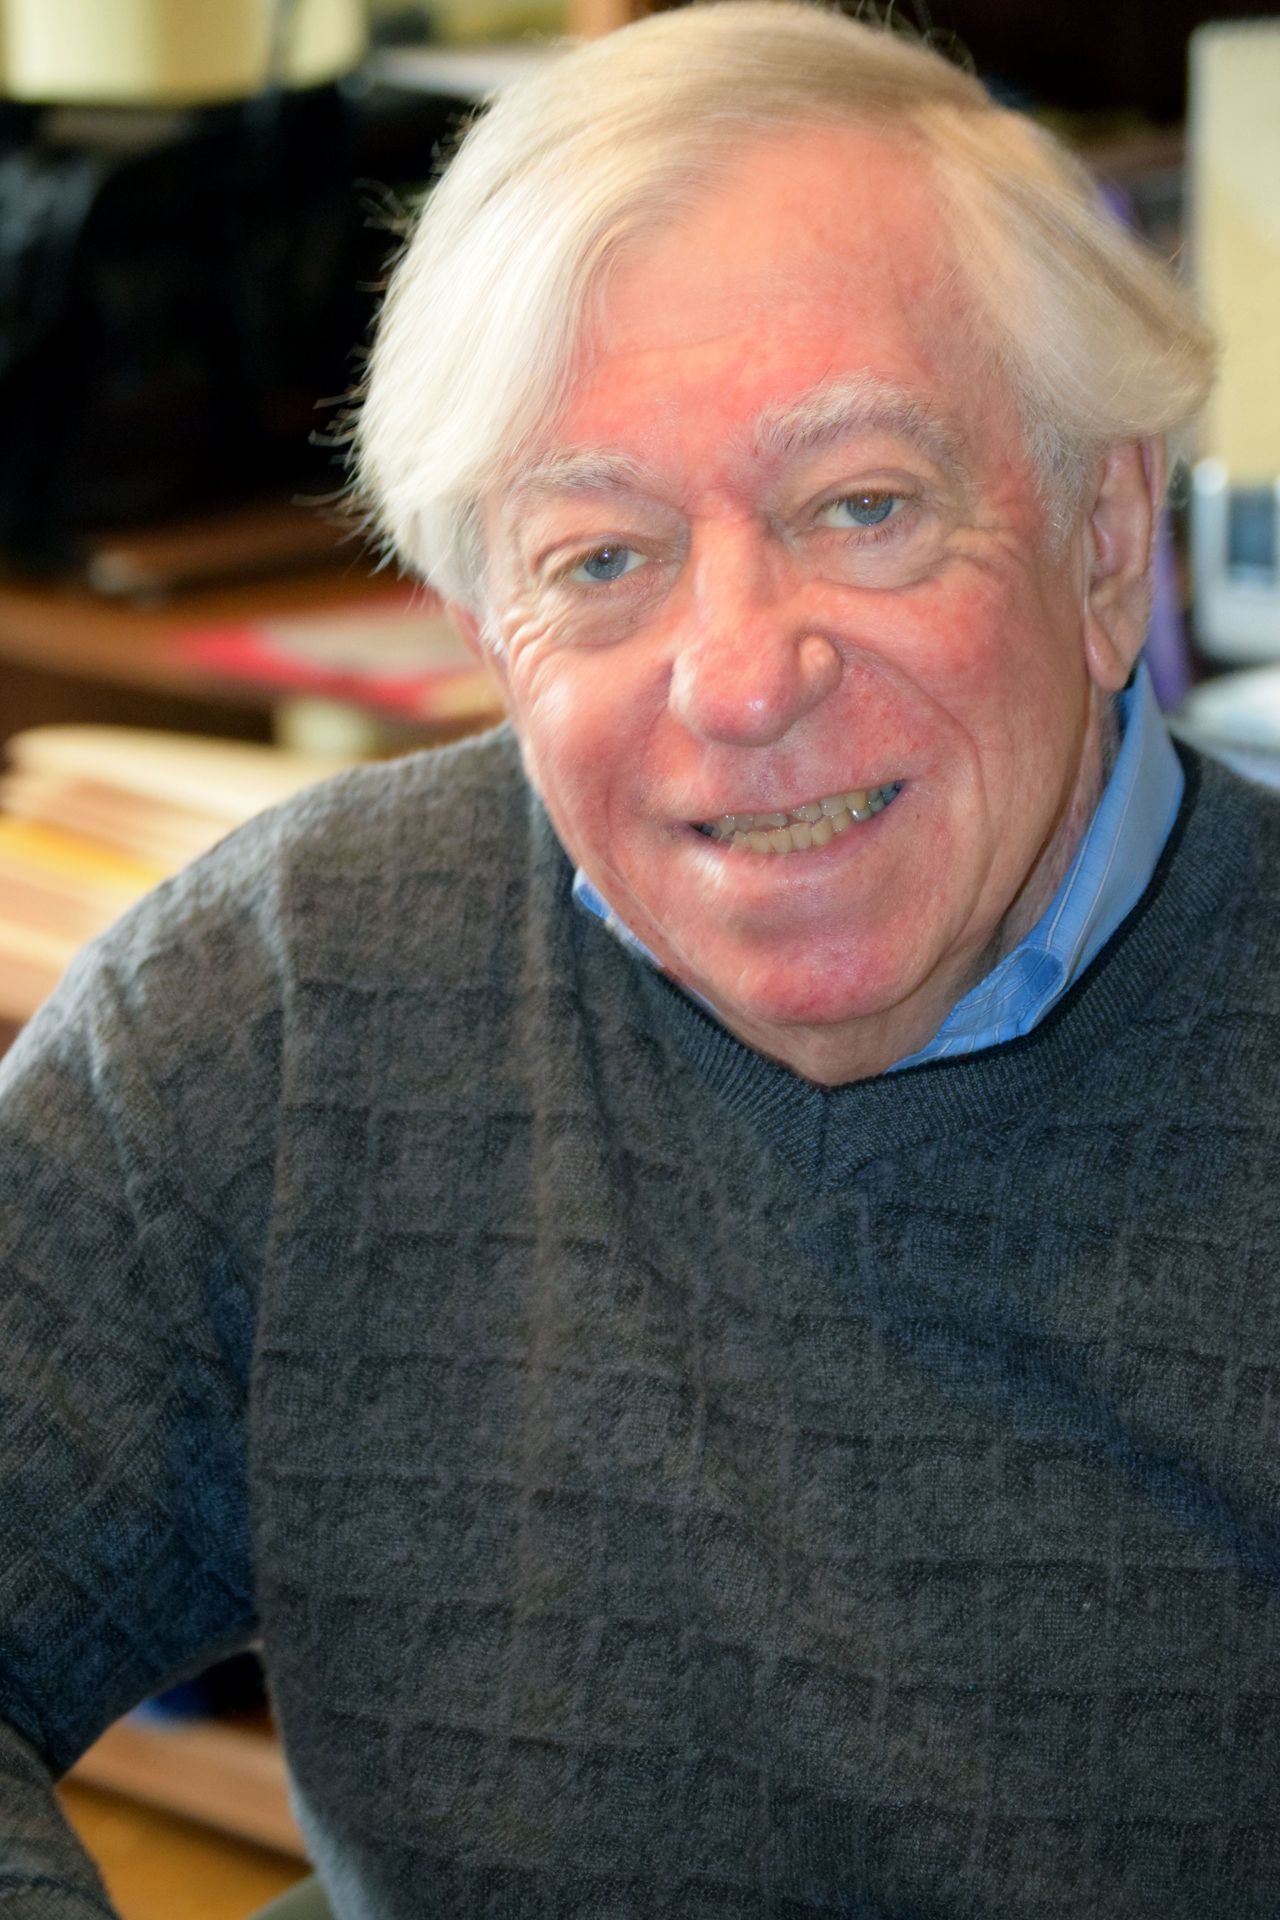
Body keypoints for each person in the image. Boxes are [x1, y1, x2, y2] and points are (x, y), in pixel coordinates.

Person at [2, 4, 1277, 1914]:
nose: (742, 677)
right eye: (602, 557)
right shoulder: (294, 997)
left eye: (861, 506)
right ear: (485, 626)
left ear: (1109, 548)